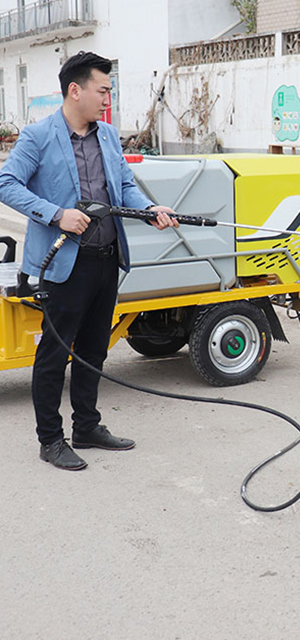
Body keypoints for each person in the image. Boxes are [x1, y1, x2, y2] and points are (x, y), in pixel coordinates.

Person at [0, 51, 178, 471]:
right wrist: (56, 213)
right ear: (75, 90)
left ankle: (87, 427)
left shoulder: (109, 136)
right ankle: (50, 440)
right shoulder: (38, 136)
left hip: (106, 258)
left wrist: (149, 210)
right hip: (64, 264)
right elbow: (6, 183)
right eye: (103, 90)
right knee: (53, 354)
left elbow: (124, 187)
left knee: (95, 349)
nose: (107, 99)